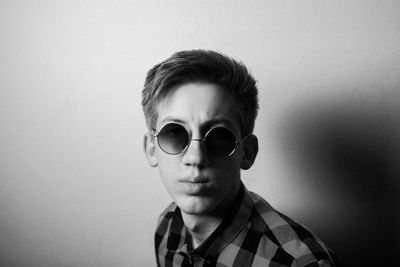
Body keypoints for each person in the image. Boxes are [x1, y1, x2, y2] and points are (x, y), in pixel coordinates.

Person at [142, 50, 339, 266]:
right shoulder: (167, 227)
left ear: (247, 152)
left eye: (219, 137)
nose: (195, 158)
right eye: (175, 133)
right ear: (151, 148)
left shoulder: (300, 263)